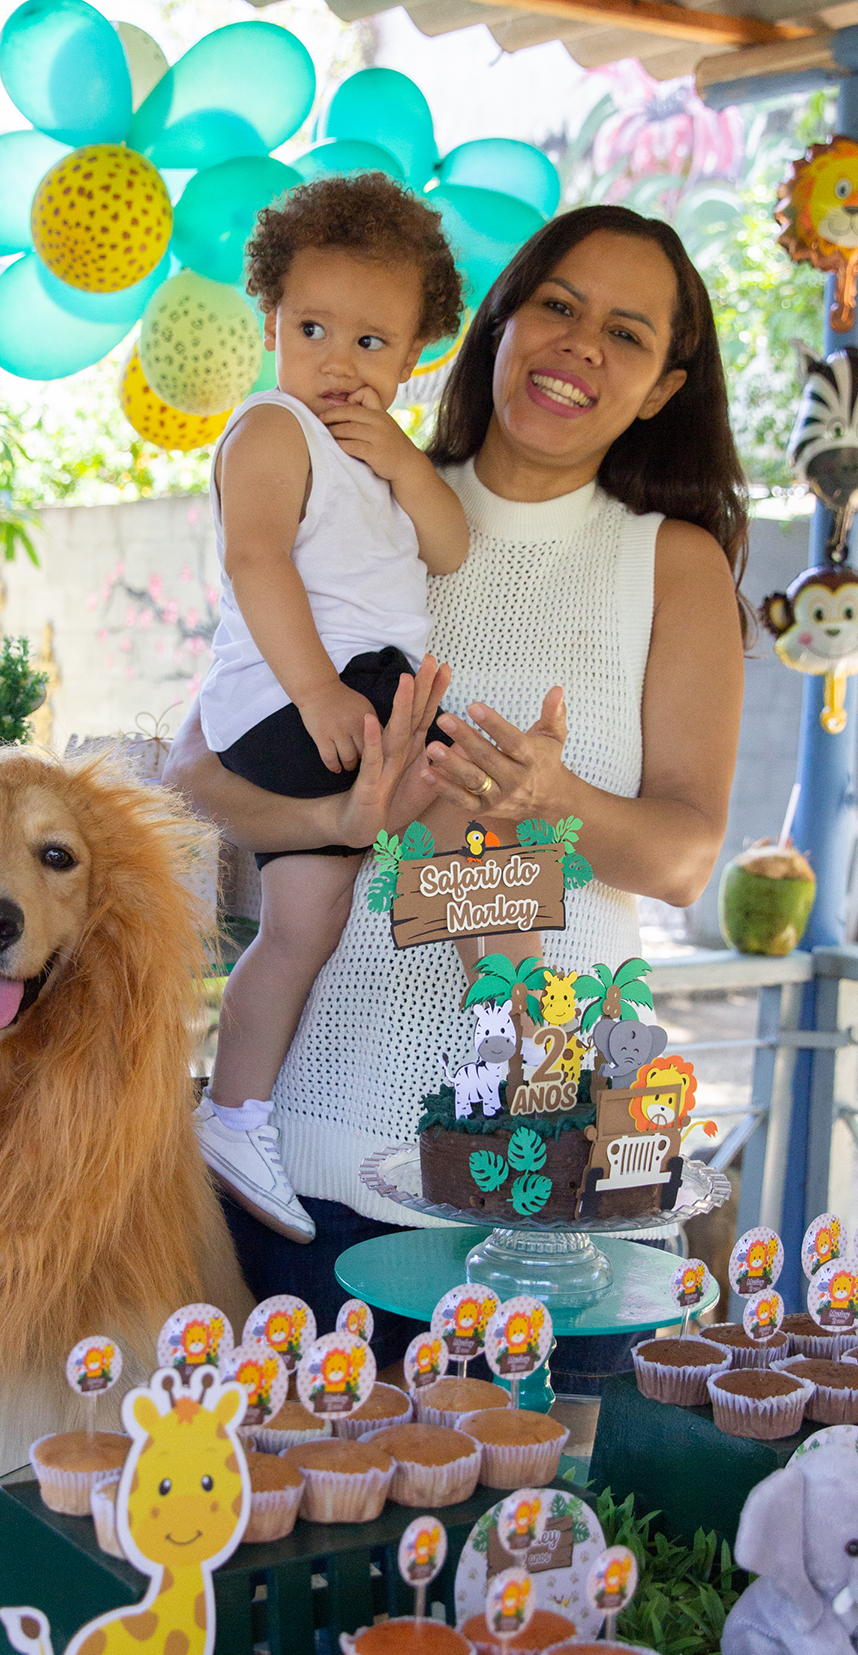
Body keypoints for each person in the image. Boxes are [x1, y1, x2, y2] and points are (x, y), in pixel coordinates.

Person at [169, 204, 747, 1363]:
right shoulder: (348, 497)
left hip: (553, 1177)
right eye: (559, 306)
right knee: (313, 1530)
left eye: (627, 334)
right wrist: (336, 818)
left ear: (663, 386)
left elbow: (686, 860)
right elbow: (194, 780)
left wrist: (554, 799)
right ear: (493, 327)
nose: (582, 345)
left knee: (540, 1533)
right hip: (314, 1162)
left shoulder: (671, 563)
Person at [193, 175, 467, 1246]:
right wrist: (313, 689)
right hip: (305, 700)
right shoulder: (273, 428)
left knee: (301, 926)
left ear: (413, 359)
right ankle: (497, 1007)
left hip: (340, 699)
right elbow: (254, 555)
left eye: (369, 343)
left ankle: (234, 1109)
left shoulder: (374, 456)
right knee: (453, 784)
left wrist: (402, 459)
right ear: (272, 322)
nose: (337, 363)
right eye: (311, 330)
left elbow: (449, 546)